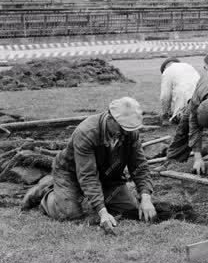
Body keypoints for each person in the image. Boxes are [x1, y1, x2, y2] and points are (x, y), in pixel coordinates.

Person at [21, 97, 156, 234]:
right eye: (123, 128)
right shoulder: (86, 132)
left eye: (130, 129)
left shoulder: (130, 132)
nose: (126, 133)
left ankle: (84, 194)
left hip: (106, 175)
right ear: (110, 118)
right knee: (69, 214)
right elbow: (88, 176)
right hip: (71, 173)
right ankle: (47, 191)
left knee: (129, 209)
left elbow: (139, 165)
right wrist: (102, 212)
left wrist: (146, 197)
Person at [159, 57, 200, 124]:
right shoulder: (188, 66)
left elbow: (165, 96)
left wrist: (165, 115)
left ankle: (182, 116)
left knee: (177, 119)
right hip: (200, 103)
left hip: (185, 103)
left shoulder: (167, 71)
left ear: (164, 68)